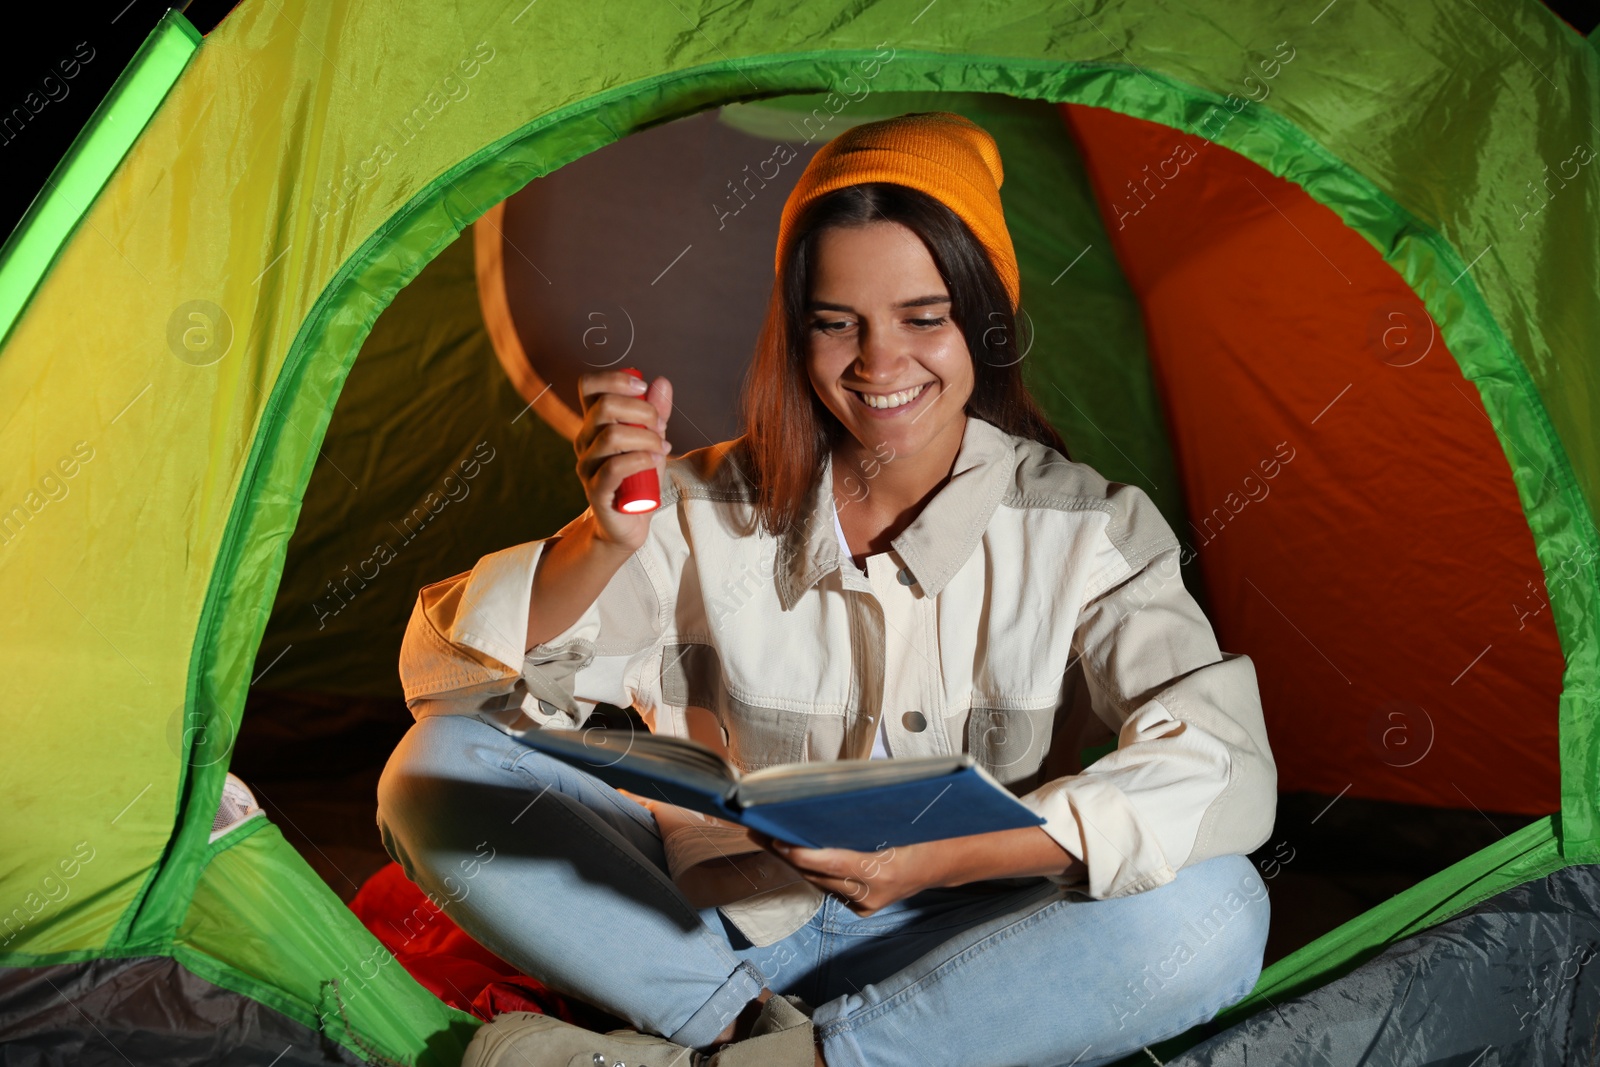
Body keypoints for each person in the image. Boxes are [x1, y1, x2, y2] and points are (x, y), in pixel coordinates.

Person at [377, 111, 1276, 1067]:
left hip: (970, 956)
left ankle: (757, 1061)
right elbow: (446, 681)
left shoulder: (1090, 528)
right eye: (836, 323)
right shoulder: (703, 504)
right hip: (715, 942)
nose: (880, 365)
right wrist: (603, 540)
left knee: (1219, 909)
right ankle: (753, 1037)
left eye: (923, 318)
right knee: (435, 766)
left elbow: (1224, 763)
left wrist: (951, 858)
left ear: (984, 319)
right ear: (796, 332)